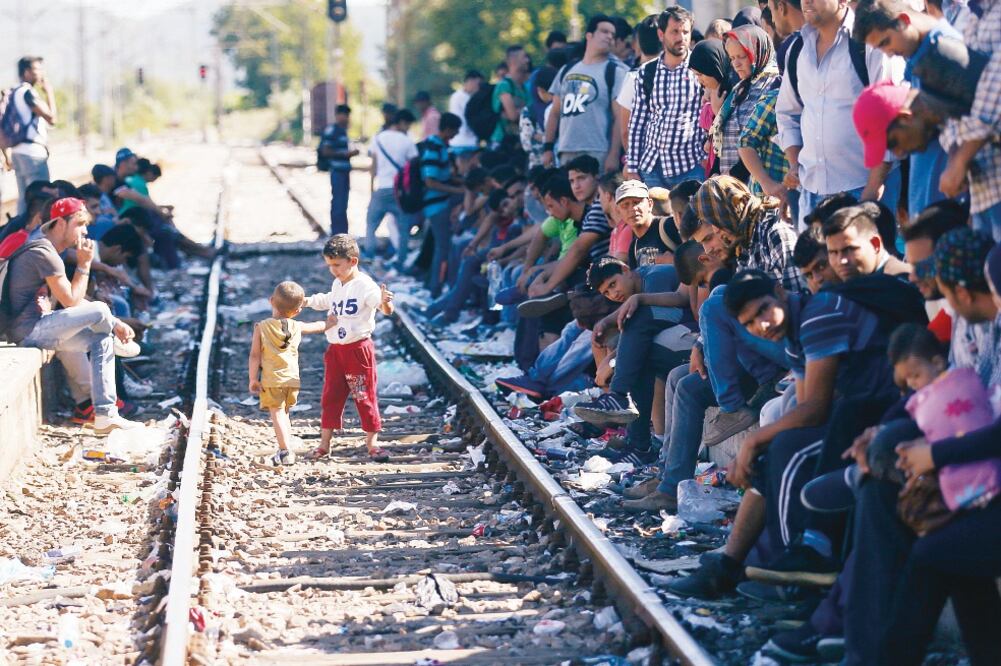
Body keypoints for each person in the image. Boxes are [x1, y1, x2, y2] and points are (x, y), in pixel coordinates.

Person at [4, 197, 141, 434]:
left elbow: (70, 304)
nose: (85, 231)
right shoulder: (43, 251)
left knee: (101, 340)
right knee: (99, 310)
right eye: (79, 224)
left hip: (40, 326)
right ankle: (116, 339)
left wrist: (114, 322)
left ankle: (105, 415)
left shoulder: (47, 249)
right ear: (60, 223)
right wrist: (84, 264)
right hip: (29, 330)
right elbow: (71, 301)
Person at [775, 0, 903, 228]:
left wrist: (872, 191)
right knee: (814, 264)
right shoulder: (797, 49)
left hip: (862, 191)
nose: (806, 1)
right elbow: (787, 114)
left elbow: (890, 116)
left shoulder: (869, 43)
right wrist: (794, 164)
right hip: (811, 195)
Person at [852, 0, 961, 217]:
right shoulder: (918, 57)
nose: (889, 53)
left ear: (904, 21)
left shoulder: (943, 52)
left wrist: (961, 164)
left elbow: (981, 122)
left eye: (885, 42)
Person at [302, 235, 395, 462]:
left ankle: (372, 444)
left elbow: (382, 306)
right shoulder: (338, 283)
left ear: (352, 261)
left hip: (357, 350)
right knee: (331, 396)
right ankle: (325, 444)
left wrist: (385, 300)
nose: (333, 270)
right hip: (336, 350)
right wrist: (306, 301)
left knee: (364, 395)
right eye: (329, 266)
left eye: (336, 265)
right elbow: (329, 300)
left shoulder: (365, 285)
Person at [248, 281, 332, 466]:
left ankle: (285, 451)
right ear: (297, 311)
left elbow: (255, 356)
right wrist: (330, 322)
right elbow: (317, 326)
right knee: (284, 411)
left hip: (272, 380)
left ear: (271, 301)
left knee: (277, 412)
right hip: (293, 380)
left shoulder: (261, 327)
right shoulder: (297, 326)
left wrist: (253, 379)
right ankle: (286, 446)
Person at [624, 6, 706, 187]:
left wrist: (706, 159)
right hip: (652, 167)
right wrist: (632, 167)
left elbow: (711, 117)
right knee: (654, 217)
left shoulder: (700, 68)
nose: (681, 38)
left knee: (690, 216)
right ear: (661, 35)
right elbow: (637, 122)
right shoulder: (647, 71)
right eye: (675, 32)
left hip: (690, 166)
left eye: (685, 32)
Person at [543, 14, 628, 174]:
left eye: (612, 34)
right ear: (589, 35)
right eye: (604, 31)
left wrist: (614, 154)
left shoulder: (615, 72)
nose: (609, 37)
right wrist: (547, 147)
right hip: (566, 151)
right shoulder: (566, 70)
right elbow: (554, 113)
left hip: (598, 152)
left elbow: (620, 117)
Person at [713, 26, 781, 180]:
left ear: (757, 52)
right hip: (732, 187)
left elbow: (758, 139)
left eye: (741, 56)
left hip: (761, 185)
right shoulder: (741, 88)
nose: (735, 64)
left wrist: (731, 176)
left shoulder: (773, 85)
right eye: (732, 58)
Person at [420, 112, 465, 298]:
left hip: (439, 203)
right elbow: (430, 181)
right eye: (455, 131)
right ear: (447, 129)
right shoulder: (434, 147)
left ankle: (433, 284)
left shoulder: (441, 147)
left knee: (440, 246)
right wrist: (457, 191)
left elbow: (443, 175)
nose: (455, 134)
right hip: (436, 205)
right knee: (442, 247)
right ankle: (435, 288)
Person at [366, 109, 418, 262]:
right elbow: (414, 165)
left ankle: (369, 255)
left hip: (382, 188)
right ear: (402, 122)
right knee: (403, 228)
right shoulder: (407, 141)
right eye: (408, 125)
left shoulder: (378, 139)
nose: (408, 129)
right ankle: (401, 260)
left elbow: (373, 165)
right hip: (400, 192)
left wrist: (371, 188)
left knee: (371, 225)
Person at [9, 57, 56, 215]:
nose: (41, 74)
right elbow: (52, 118)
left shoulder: (14, 92)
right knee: (41, 200)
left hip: (17, 152)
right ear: (27, 72)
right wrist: (49, 92)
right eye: (37, 70)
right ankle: (36, 237)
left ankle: (20, 235)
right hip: (32, 154)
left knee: (24, 200)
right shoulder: (28, 93)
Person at [615, 15, 662, 154]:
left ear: (638, 43)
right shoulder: (683, 74)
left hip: (646, 160)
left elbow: (625, 130)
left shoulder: (633, 77)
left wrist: (633, 163)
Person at [687, 39, 733, 177]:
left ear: (714, 67)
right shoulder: (711, 91)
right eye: (696, 75)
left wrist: (719, 112)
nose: (699, 80)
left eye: (701, 74)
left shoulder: (732, 92)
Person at [318, 104, 358, 236]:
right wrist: (346, 154)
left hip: (345, 171)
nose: (346, 118)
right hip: (337, 171)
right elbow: (326, 151)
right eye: (344, 115)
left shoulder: (343, 131)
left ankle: (342, 232)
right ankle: (337, 231)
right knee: (338, 202)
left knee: (343, 202)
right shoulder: (332, 130)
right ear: (338, 115)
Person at [493, 47, 531, 145]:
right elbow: (513, 116)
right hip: (502, 142)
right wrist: (522, 111)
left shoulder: (523, 88)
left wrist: (519, 111)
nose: (527, 60)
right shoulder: (504, 85)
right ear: (512, 61)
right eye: (524, 57)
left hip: (518, 140)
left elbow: (532, 113)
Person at [448, 70, 483, 152]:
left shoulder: (458, 96)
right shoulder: (462, 97)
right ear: (470, 81)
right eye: (478, 84)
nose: (479, 88)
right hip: (464, 142)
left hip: (464, 141)